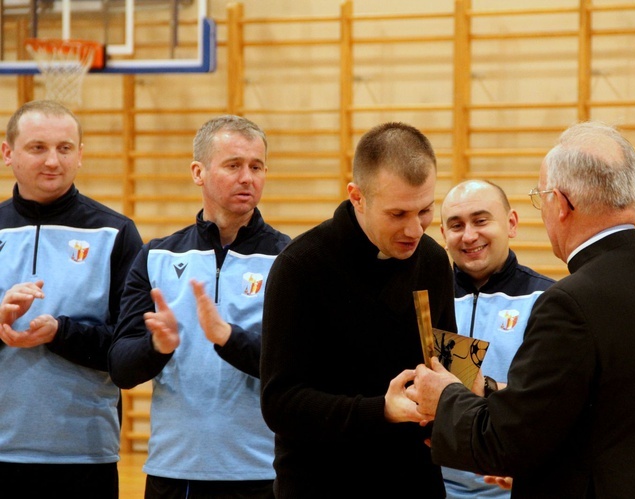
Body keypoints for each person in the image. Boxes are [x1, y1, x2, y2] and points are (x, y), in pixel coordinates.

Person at [404, 121, 635, 498]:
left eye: (541, 198)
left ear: (562, 203)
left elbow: (508, 440)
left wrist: (444, 398)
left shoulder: (569, 302)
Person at [260, 121, 457, 498]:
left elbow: (444, 362)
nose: (415, 229)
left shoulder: (432, 260)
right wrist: (380, 409)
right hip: (321, 484)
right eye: (398, 214)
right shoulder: (300, 267)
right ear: (357, 197)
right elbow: (279, 404)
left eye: (426, 211)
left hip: (415, 482)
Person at [108, 115, 289, 499]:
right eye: (233, 165)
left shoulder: (291, 259)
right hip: (174, 472)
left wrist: (228, 338)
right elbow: (121, 367)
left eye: (256, 167)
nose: (247, 178)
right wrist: (157, 347)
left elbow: (299, 365)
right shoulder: (155, 256)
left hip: (262, 474)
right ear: (198, 172)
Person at [0, 100, 143, 498]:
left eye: (65, 148)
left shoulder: (116, 233)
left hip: (84, 456)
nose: (52, 161)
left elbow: (127, 350)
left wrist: (60, 332)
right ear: (7, 152)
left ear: (80, 155)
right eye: (37, 147)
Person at [439, 179, 554, 498]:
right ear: (443, 235)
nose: (469, 235)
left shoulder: (546, 299)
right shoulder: (427, 300)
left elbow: (551, 403)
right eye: (456, 225)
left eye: (481, 220)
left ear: (511, 223)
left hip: (513, 487)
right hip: (436, 486)